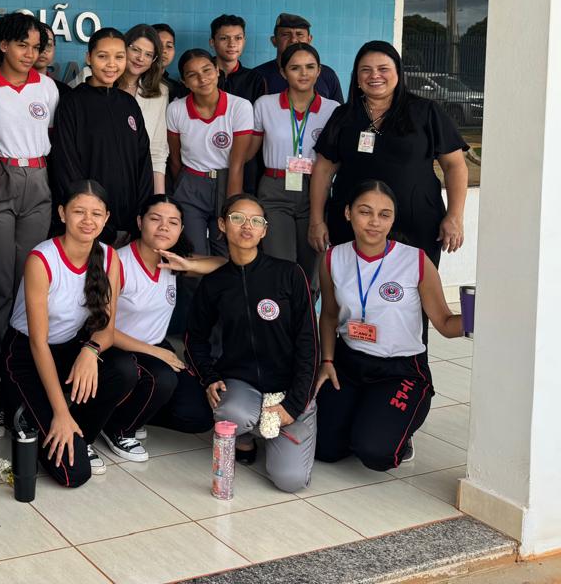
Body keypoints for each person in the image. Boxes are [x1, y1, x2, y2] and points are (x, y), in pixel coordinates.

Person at [314, 181, 464, 472]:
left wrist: (481, 315)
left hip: (400, 369)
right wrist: (328, 360)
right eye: (365, 212)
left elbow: (445, 323)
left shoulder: (415, 261)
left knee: (375, 452)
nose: (374, 222)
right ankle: (367, 416)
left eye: (384, 214)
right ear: (348, 213)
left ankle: (397, 431)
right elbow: (330, 314)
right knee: (325, 449)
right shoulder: (333, 258)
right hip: (350, 363)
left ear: (393, 219)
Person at [2, 180, 138, 487]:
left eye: (96, 213)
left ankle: (80, 433)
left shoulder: (109, 257)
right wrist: (60, 413)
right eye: (79, 212)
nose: (88, 220)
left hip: (72, 347)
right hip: (27, 354)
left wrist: (90, 351)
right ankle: (23, 407)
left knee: (124, 370)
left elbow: (107, 328)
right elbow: (38, 343)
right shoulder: (42, 259)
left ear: (106, 218)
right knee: (73, 474)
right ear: (62, 214)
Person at [184, 194, 318, 492]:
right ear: (222, 224)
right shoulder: (215, 284)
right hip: (242, 383)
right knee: (231, 412)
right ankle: (248, 435)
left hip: (289, 387)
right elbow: (195, 338)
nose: (247, 226)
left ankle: (280, 430)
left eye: (256, 221)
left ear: (264, 231)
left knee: (290, 481)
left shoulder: (290, 274)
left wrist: (294, 405)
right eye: (237, 218)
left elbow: (309, 343)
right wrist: (209, 377)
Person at [0, 12, 59, 433]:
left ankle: (24, 382)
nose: (30, 53)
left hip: (39, 181)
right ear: (3, 45)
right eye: (22, 44)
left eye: (36, 46)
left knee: (30, 285)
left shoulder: (49, 87)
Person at [309, 40, 469, 264]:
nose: (375, 75)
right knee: (353, 293)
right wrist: (316, 220)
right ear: (357, 77)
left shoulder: (426, 112)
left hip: (416, 226)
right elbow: (324, 171)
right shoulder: (343, 116)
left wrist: (455, 216)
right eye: (366, 70)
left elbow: (455, 166)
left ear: (398, 72)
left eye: (383, 69)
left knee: (414, 293)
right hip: (352, 228)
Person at [101, 196, 220, 462]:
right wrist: (156, 354)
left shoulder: (171, 261)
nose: (164, 227)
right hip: (114, 349)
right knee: (162, 379)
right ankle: (118, 427)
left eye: (173, 222)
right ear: (140, 222)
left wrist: (189, 266)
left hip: (153, 347)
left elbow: (224, 265)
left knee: (198, 416)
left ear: (180, 230)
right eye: (155, 219)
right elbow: (101, 329)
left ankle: (128, 410)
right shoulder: (118, 263)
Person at [51, 27, 154, 246]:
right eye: (102, 56)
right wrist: (88, 212)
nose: (111, 64)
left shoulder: (128, 104)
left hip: (128, 225)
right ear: (88, 58)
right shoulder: (73, 102)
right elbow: (65, 163)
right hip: (90, 224)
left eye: (119, 57)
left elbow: (143, 160)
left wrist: (141, 214)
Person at [251, 43, 339, 285]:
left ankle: (307, 319)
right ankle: (281, 318)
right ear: (283, 72)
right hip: (275, 188)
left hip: (316, 190)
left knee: (312, 269)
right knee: (280, 265)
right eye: (295, 68)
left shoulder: (334, 110)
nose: (304, 73)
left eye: (310, 67)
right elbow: (250, 152)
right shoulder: (264, 105)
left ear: (320, 71)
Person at [166, 49, 254, 256]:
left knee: (224, 250)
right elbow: (175, 160)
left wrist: (232, 206)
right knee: (193, 252)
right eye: (192, 75)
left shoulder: (239, 106)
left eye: (207, 70)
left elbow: (237, 163)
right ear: (185, 82)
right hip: (191, 185)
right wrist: (184, 186)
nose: (202, 79)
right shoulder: (176, 109)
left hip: (228, 181)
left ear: (217, 71)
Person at [119, 24, 170, 194]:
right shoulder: (92, 79)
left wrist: (159, 198)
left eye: (148, 55)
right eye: (136, 50)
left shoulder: (160, 92)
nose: (140, 58)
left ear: (154, 60)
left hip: (139, 178)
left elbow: (157, 150)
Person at [251, 13, 345, 102]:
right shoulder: (256, 76)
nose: (294, 40)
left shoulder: (327, 75)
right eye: (285, 35)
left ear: (309, 39)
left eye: (299, 34)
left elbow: (340, 116)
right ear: (274, 41)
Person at [209, 14, 264, 103]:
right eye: (224, 38)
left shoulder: (254, 79)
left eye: (238, 38)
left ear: (244, 41)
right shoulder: (203, 76)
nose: (232, 44)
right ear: (212, 42)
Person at [34, 27, 71, 99]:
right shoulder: (13, 88)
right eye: (38, 45)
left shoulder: (65, 91)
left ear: (54, 48)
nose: (43, 50)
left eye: (48, 45)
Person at [153, 23, 186, 101]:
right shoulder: (134, 81)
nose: (164, 50)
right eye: (158, 45)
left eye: (169, 46)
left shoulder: (176, 88)